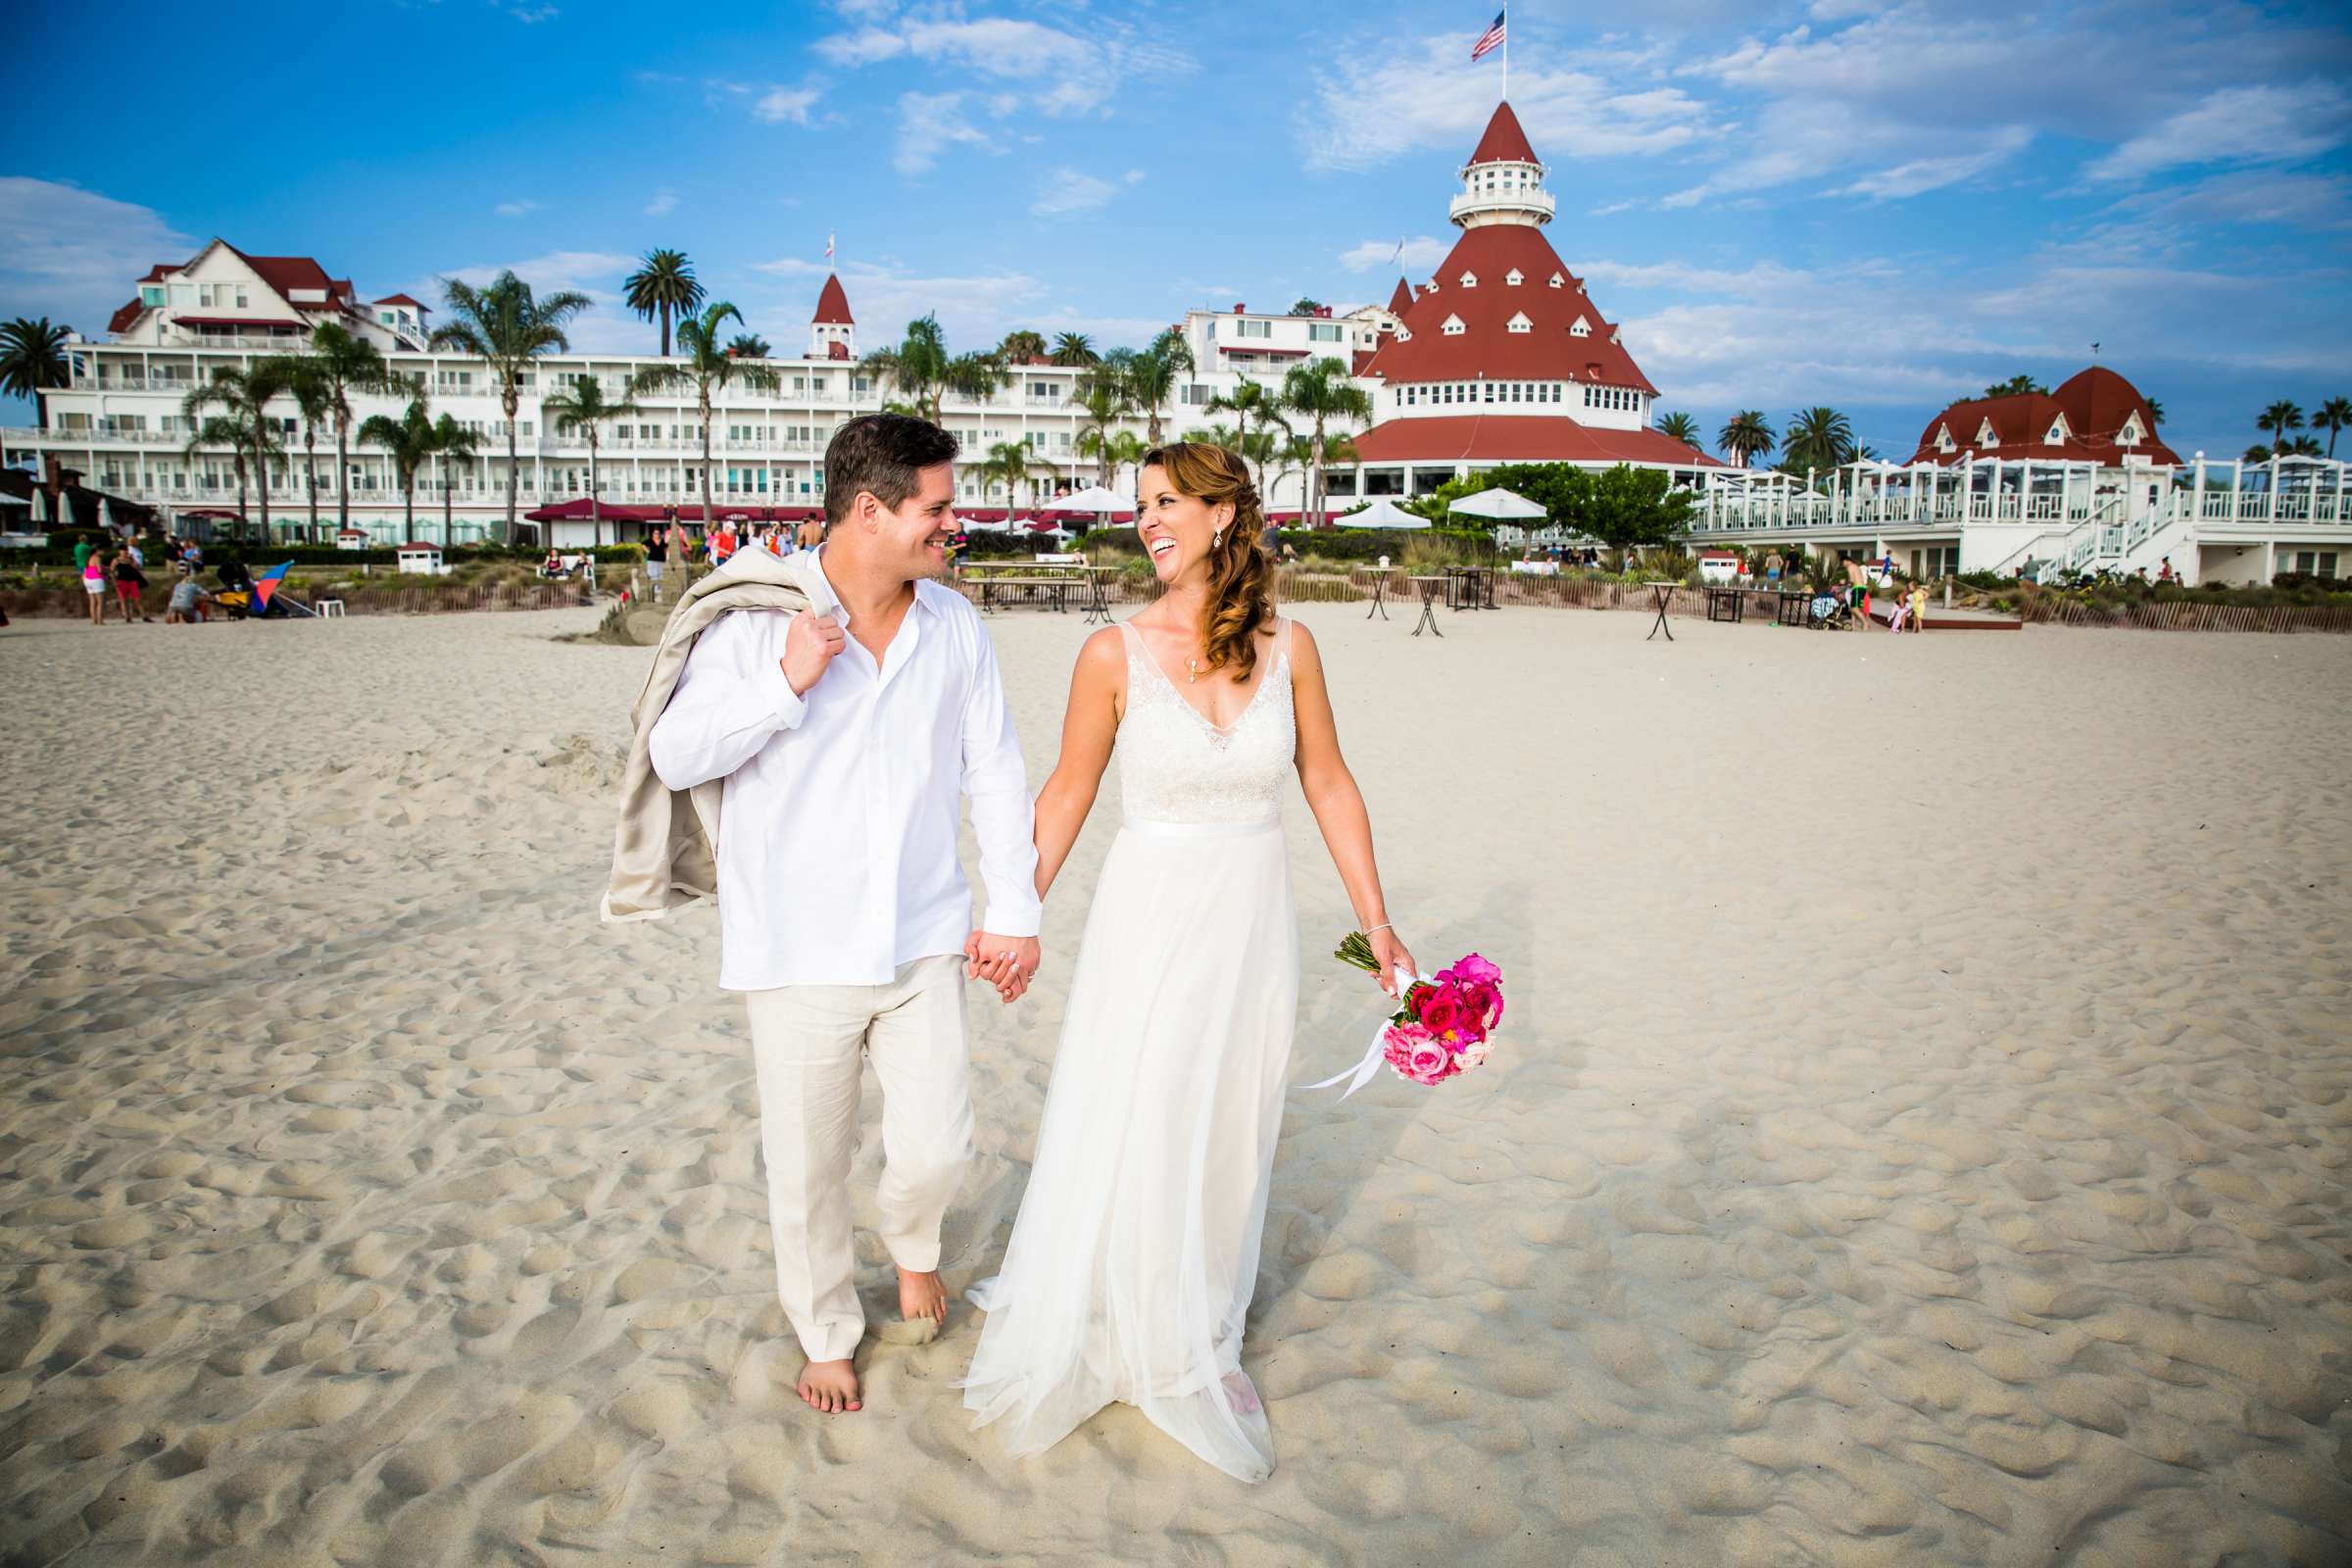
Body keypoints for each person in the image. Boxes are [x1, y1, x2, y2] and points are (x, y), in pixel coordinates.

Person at [957, 440, 1413, 1485]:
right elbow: (1068, 791)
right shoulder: (1110, 654)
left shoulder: (1291, 646)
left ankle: (1198, 1330)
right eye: (1141, 505)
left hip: (1253, 918)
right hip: (1150, 914)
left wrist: (1378, 922)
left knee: (1234, 1120)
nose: (1148, 519)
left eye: (1169, 501)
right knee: (1145, 1106)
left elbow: (1329, 784)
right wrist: (1009, 910)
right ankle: (1125, 1318)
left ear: (1223, 514)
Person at [645, 414, 1041, 1419]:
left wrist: (1015, 908)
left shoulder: (955, 625)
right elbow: (675, 755)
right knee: (811, 1168)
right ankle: (826, 1332)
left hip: (923, 940)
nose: (957, 522)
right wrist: (786, 680)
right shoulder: (754, 623)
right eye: (939, 506)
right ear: (870, 510)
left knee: (937, 1146)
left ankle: (913, 1247)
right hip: (796, 948)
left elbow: (993, 771)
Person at [113, 547, 151, 621]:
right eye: (123, 550)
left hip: (132, 581)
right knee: (124, 600)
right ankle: (127, 616)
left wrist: (132, 561)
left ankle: (144, 616)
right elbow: (112, 571)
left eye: (126, 550)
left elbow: (139, 568)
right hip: (122, 581)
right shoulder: (116, 560)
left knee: (137, 599)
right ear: (119, 551)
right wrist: (115, 581)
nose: (125, 552)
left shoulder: (130, 559)